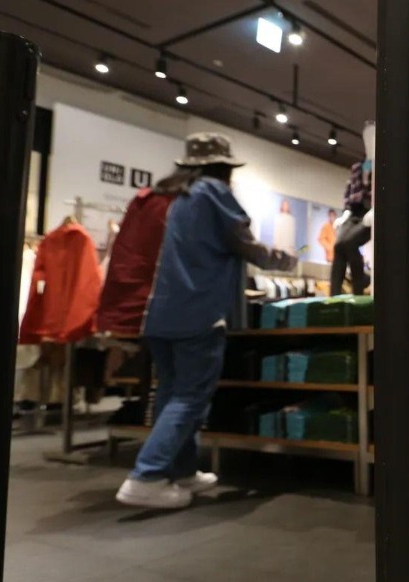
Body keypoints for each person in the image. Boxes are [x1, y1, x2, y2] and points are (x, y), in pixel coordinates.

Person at [116, 133, 297, 509]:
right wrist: (286, 260)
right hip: (198, 309)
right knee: (191, 395)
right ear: (222, 167)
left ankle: (180, 470)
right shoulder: (213, 192)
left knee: (171, 393)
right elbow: (244, 243)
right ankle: (146, 476)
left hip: (160, 312)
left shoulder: (171, 196)